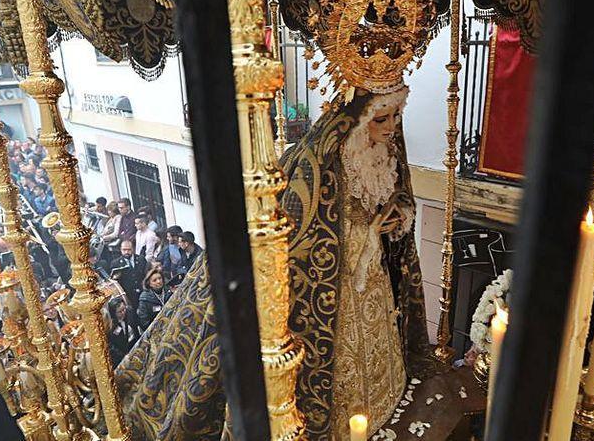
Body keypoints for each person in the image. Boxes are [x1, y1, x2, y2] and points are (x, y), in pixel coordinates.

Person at [117, 87, 438, 439]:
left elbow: (395, 196)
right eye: (381, 118)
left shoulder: (385, 152)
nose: (391, 127)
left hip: (372, 279)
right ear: (356, 121)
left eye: (395, 117)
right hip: (337, 286)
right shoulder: (324, 162)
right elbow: (318, 235)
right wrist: (370, 231)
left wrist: (398, 216)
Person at [111, 240, 147, 305]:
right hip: (127, 297)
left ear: (133, 249)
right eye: (124, 250)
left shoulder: (141, 259)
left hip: (142, 294)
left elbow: (146, 275)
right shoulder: (115, 263)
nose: (126, 252)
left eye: (129, 250)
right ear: (120, 249)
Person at [107, 297, 141, 366]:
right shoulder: (111, 326)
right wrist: (123, 356)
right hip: (123, 354)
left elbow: (138, 325)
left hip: (135, 344)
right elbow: (111, 346)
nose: (123, 312)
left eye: (124, 309)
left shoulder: (130, 312)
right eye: (120, 312)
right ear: (114, 313)